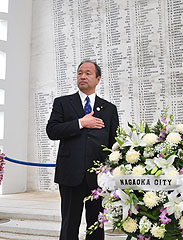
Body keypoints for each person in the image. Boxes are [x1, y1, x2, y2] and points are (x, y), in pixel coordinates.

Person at [46, 60, 119, 240]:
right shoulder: (62, 103)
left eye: (88, 73)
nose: (83, 76)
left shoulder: (109, 109)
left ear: (98, 79)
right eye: (80, 73)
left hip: (97, 177)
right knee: (69, 224)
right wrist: (81, 123)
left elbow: (114, 144)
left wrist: (112, 174)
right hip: (70, 175)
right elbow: (52, 131)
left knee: (96, 226)